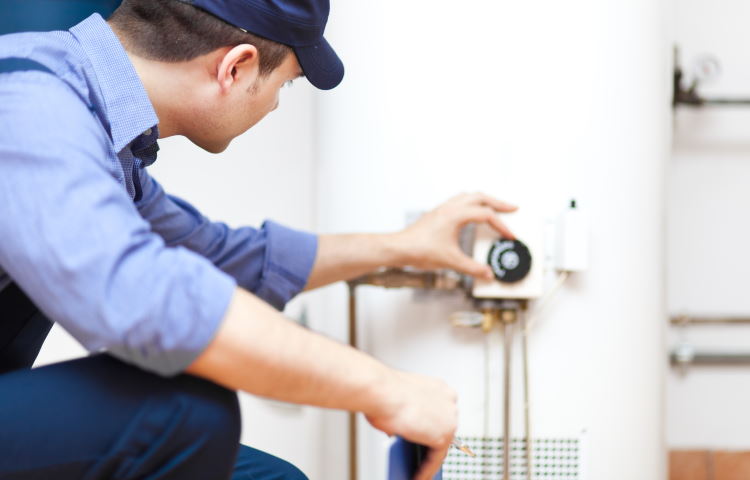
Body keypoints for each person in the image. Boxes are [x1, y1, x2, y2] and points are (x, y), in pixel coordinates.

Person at [0, 0, 517, 478]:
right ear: (237, 68)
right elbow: (149, 301)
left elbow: (223, 259)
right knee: (186, 410)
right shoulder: (28, 104)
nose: (274, 106)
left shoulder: (97, 129)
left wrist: (403, 246)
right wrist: (384, 388)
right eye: (286, 84)